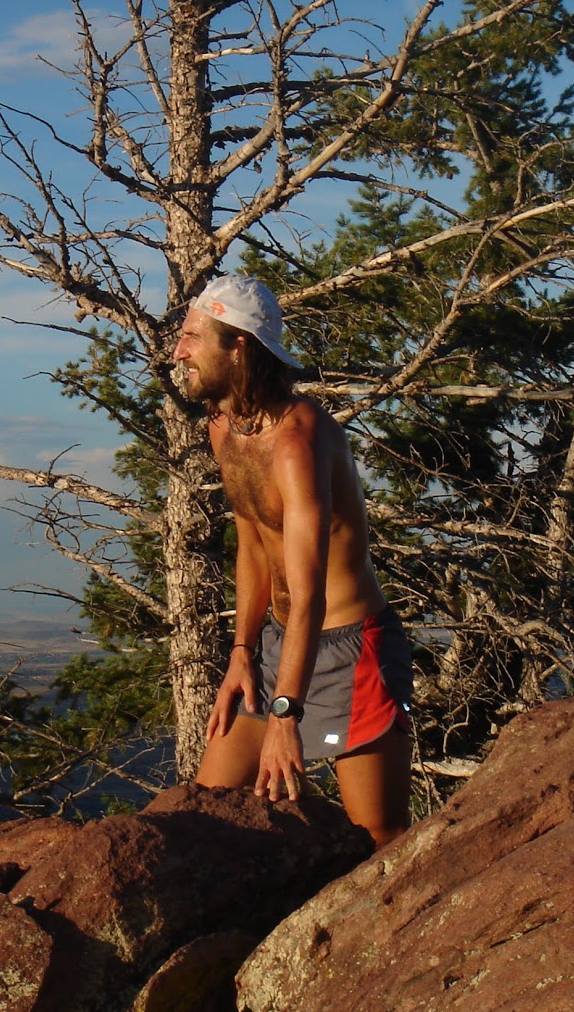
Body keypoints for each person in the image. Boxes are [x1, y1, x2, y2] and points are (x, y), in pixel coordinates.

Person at [176, 275, 413, 848]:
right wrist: (241, 651)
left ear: (238, 347)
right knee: (205, 810)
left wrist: (286, 715)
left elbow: (311, 595)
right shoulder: (224, 428)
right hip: (280, 645)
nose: (178, 351)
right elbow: (253, 543)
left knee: (378, 838)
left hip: (350, 651)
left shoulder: (297, 442)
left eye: (192, 337)